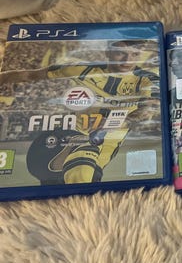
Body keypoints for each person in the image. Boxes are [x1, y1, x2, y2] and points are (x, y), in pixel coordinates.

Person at [0, 40, 159, 184]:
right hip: (69, 139)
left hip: (103, 148)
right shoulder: (82, 69)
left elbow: (150, 106)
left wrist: (119, 122)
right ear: (108, 52)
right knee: (80, 174)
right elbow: (29, 75)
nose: (127, 60)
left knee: (69, 189)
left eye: (135, 55)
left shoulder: (147, 79)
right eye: (120, 53)